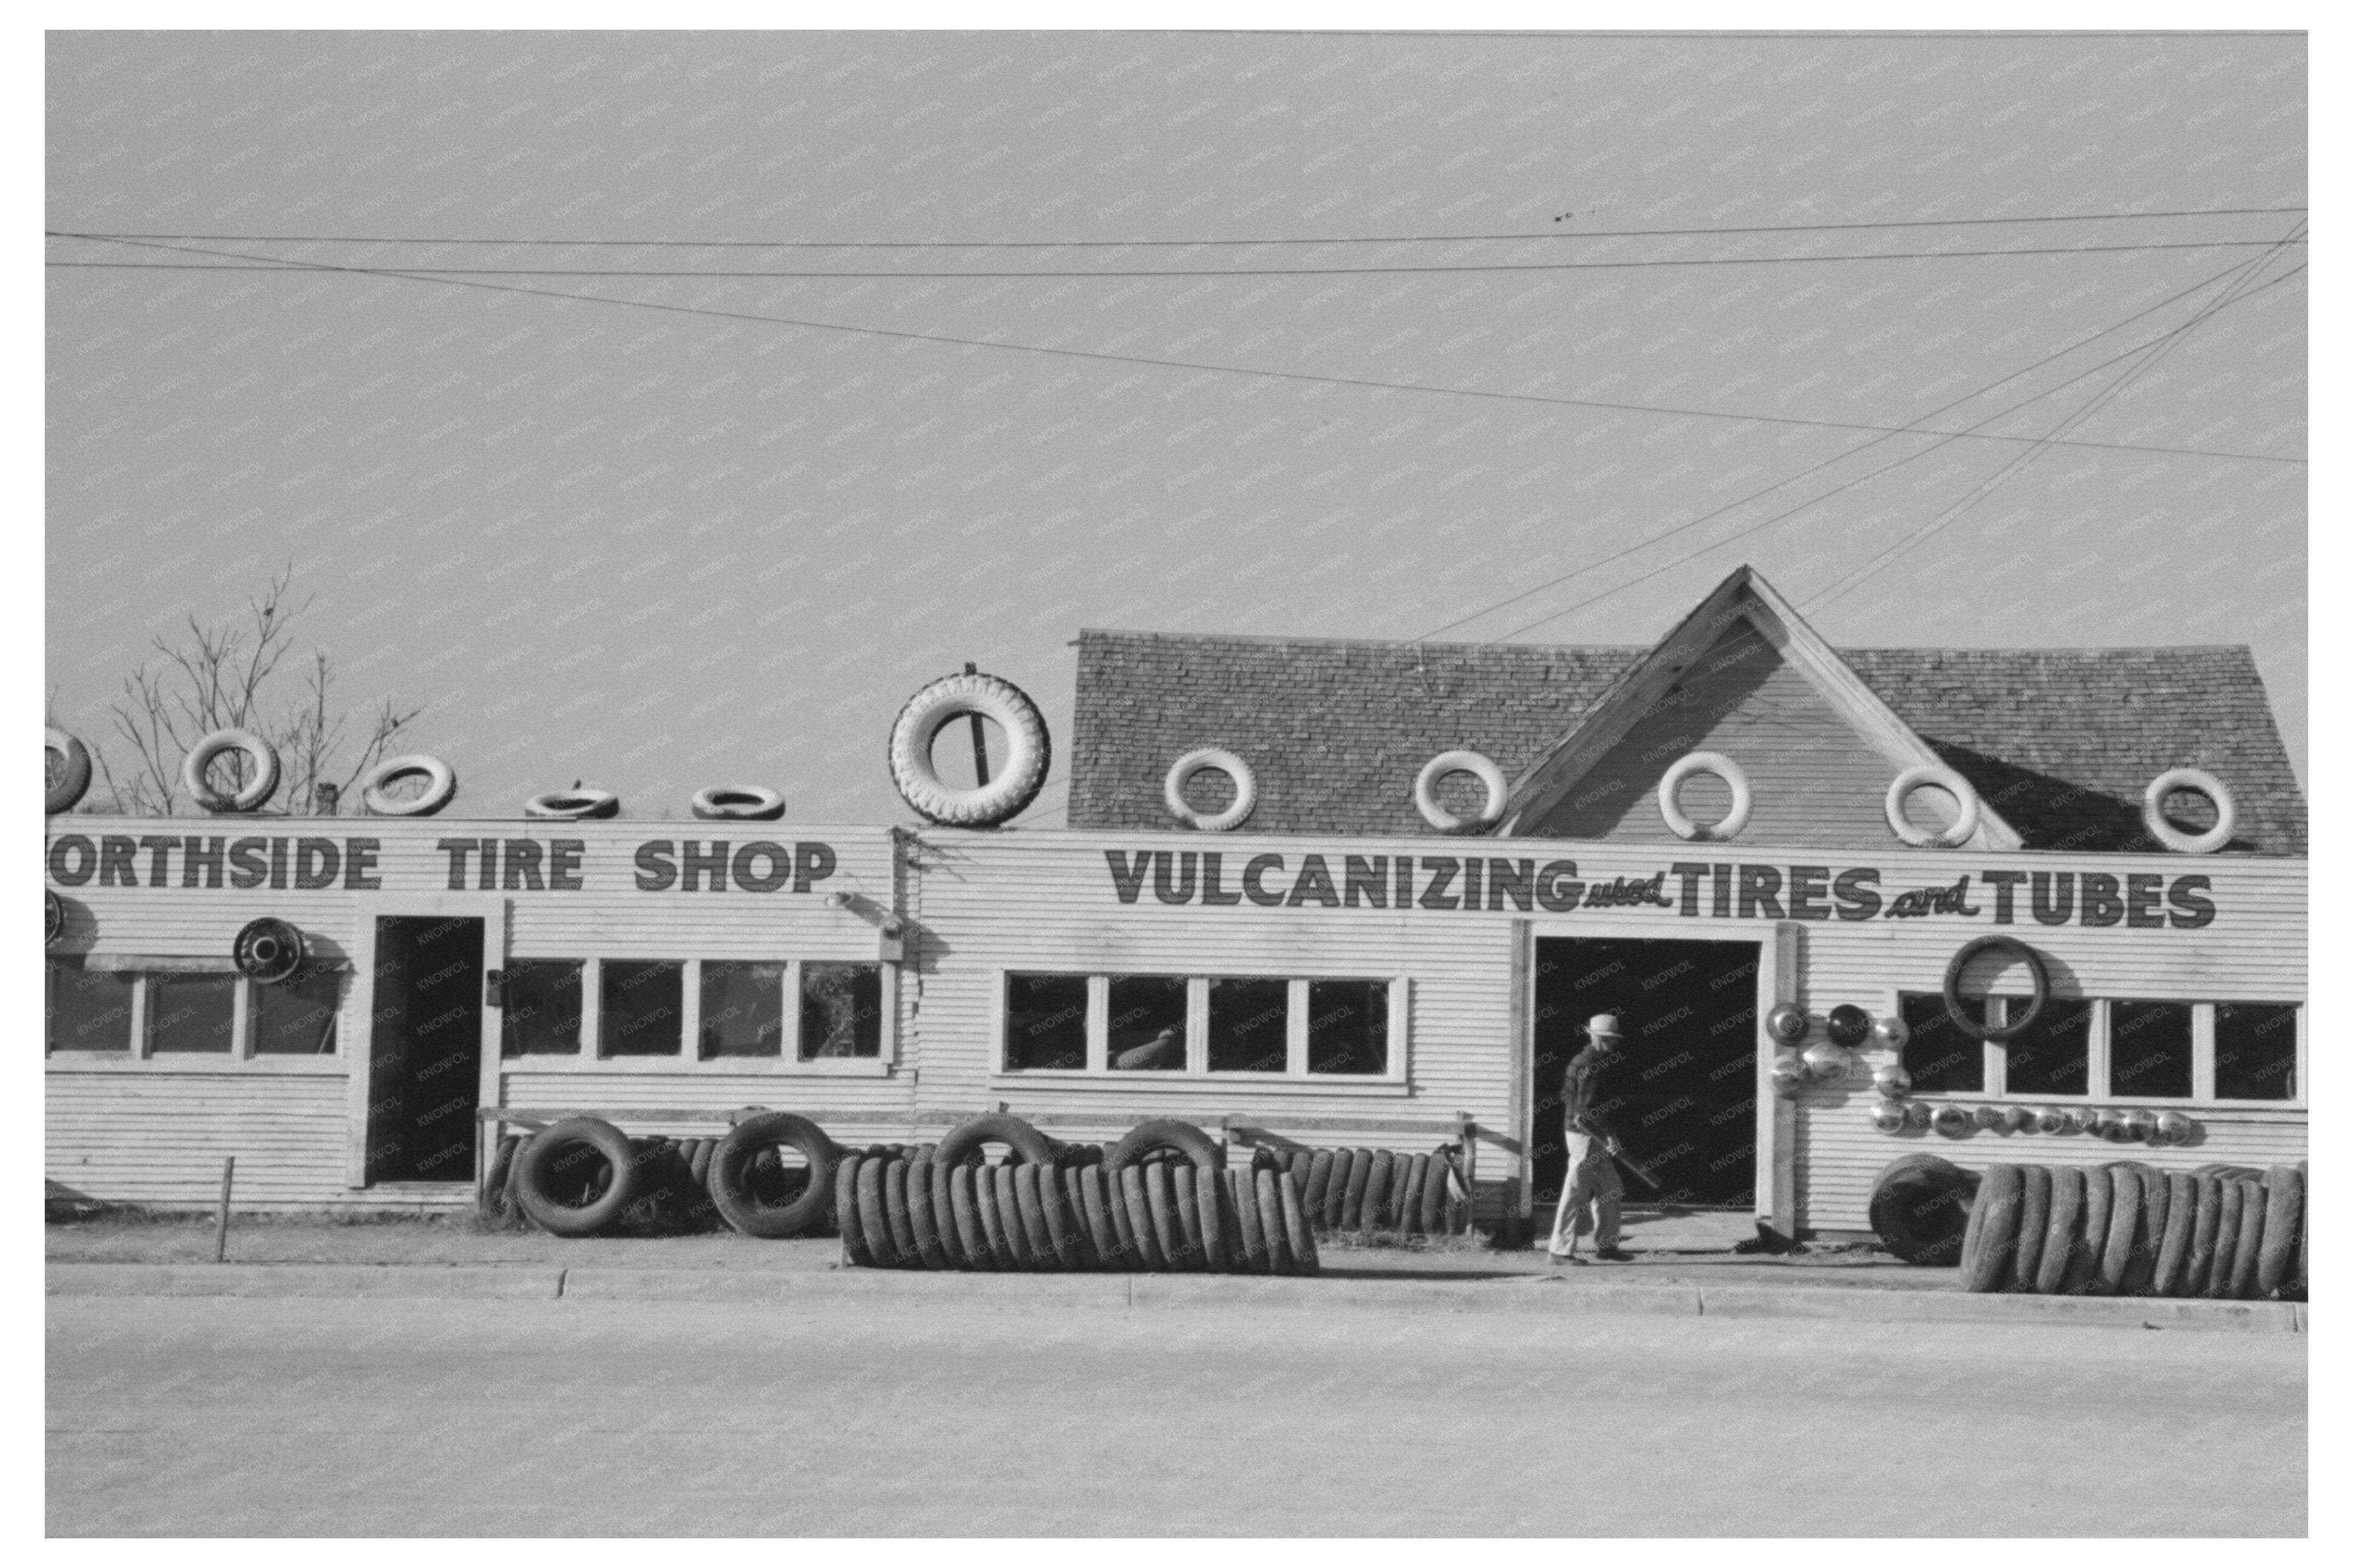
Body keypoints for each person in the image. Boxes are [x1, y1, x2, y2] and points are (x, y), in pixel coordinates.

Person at [1547, 1013, 1633, 1264]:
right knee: (1575, 1192)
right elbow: (1589, 1107)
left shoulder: (1583, 1061)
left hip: (1586, 1133)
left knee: (1611, 1189)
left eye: (1613, 1039)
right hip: (1586, 1136)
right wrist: (1610, 1135)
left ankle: (1607, 1246)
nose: (1612, 1044)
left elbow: (1567, 1097)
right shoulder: (1592, 1065)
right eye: (1607, 1039)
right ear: (1594, 1036)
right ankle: (1559, 1251)